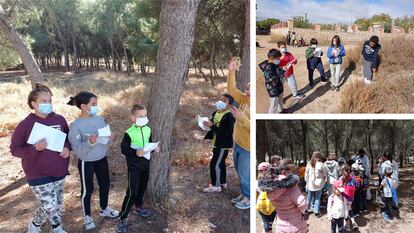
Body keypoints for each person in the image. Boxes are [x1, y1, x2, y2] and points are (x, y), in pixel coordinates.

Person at [10, 84, 71, 233]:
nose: (47, 104)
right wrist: (34, 149)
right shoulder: (26, 124)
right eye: (43, 101)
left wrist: (67, 148)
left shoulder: (59, 119)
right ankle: (36, 224)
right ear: (33, 104)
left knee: (58, 202)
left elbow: (68, 139)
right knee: (49, 205)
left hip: (59, 168)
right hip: (37, 172)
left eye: (49, 100)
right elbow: (14, 149)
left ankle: (57, 227)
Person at [67, 92, 119, 230]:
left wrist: (110, 136)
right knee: (87, 190)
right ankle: (87, 217)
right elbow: (77, 150)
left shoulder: (99, 119)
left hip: (101, 158)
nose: (96, 107)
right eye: (93, 104)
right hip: (86, 162)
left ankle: (104, 209)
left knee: (105, 184)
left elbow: (105, 138)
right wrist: (89, 143)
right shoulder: (75, 125)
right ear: (83, 106)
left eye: (97, 104)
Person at [116, 104, 160, 233]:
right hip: (134, 167)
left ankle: (139, 207)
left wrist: (154, 149)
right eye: (140, 116)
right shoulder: (129, 133)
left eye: (145, 115)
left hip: (145, 165)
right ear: (133, 118)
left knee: (142, 188)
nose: (144, 117)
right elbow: (124, 149)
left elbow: (149, 143)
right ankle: (123, 217)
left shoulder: (148, 129)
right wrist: (135, 152)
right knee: (132, 192)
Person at [258, 159, 307, 233]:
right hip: (296, 225)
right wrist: (302, 212)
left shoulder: (270, 187)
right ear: (285, 171)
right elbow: (302, 203)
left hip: (281, 225)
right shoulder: (292, 186)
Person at [227, 58, 251, 209]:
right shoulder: (244, 98)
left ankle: (248, 199)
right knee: (240, 173)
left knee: (245, 176)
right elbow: (232, 90)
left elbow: (252, 126)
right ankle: (244, 194)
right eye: (247, 88)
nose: (247, 92)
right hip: (237, 144)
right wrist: (231, 71)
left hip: (248, 148)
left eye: (250, 89)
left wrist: (241, 118)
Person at [202, 94, 236, 192]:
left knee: (215, 163)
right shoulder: (216, 113)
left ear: (229, 105)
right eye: (220, 99)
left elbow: (226, 133)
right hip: (216, 142)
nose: (220, 101)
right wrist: (204, 122)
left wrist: (212, 126)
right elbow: (212, 122)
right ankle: (222, 182)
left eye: (224, 101)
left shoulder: (229, 116)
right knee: (220, 163)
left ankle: (216, 186)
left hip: (223, 144)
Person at [258, 49, 286, 113]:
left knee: (280, 99)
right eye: (278, 59)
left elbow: (277, 71)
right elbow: (271, 78)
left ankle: (281, 110)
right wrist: (283, 72)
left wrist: (282, 69)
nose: (279, 60)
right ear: (272, 58)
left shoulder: (274, 63)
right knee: (274, 104)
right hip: (273, 88)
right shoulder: (268, 67)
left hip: (278, 85)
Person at [256, 162, 277, 233]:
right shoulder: (275, 180)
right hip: (272, 205)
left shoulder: (257, 182)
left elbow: (256, 195)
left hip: (261, 206)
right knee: (269, 224)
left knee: (267, 223)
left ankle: (266, 230)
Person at [304, 151, 326, 218]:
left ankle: (306, 210)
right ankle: (316, 212)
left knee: (309, 197)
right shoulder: (321, 164)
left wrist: (307, 182)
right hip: (319, 185)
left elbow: (306, 174)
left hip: (310, 184)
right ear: (319, 157)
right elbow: (324, 174)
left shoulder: (309, 163)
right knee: (317, 198)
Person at [339, 164, 359, 231]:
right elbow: (357, 185)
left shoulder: (341, 178)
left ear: (342, 171)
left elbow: (338, 188)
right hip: (351, 197)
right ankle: (353, 222)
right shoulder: (353, 178)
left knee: (345, 211)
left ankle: (347, 225)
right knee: (349, 209)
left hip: (344, 197)